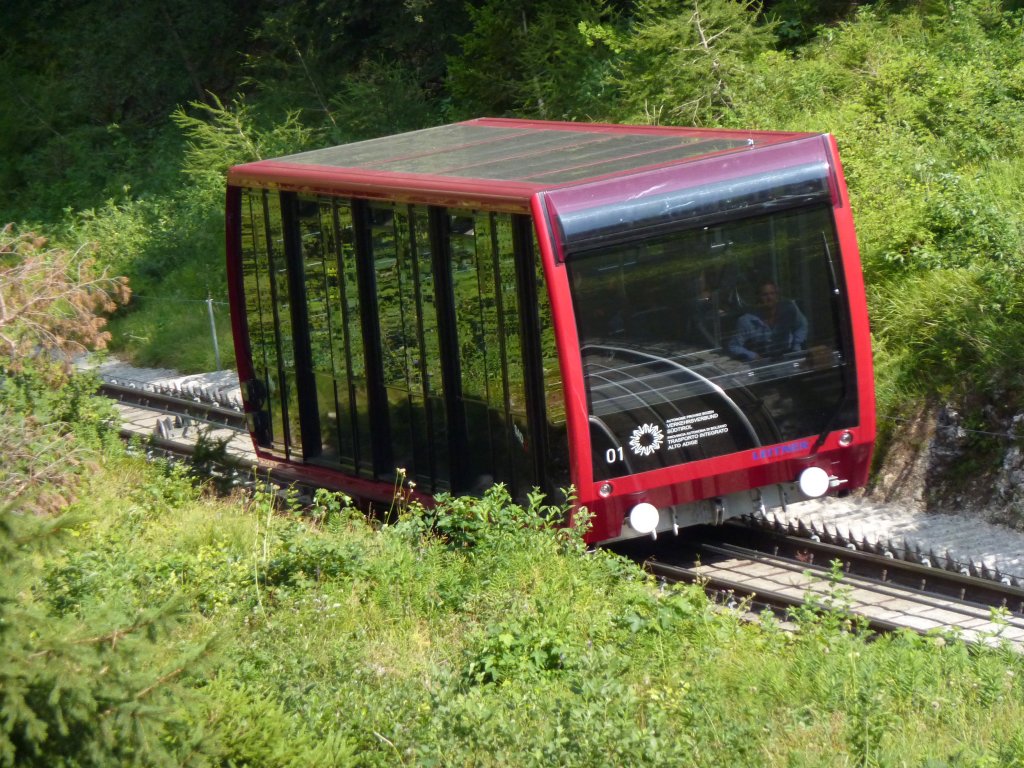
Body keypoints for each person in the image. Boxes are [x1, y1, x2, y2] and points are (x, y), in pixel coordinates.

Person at [727, 280, 807, 362]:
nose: (769, 298)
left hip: (789, 360)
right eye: (765, 295)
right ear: (758, 297)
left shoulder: (789, 310)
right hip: (762, 364)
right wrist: (752, 355)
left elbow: (802, 326)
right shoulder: (746, 320)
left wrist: (796, 346)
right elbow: (734, 346)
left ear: (777, 295)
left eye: (772, 293)